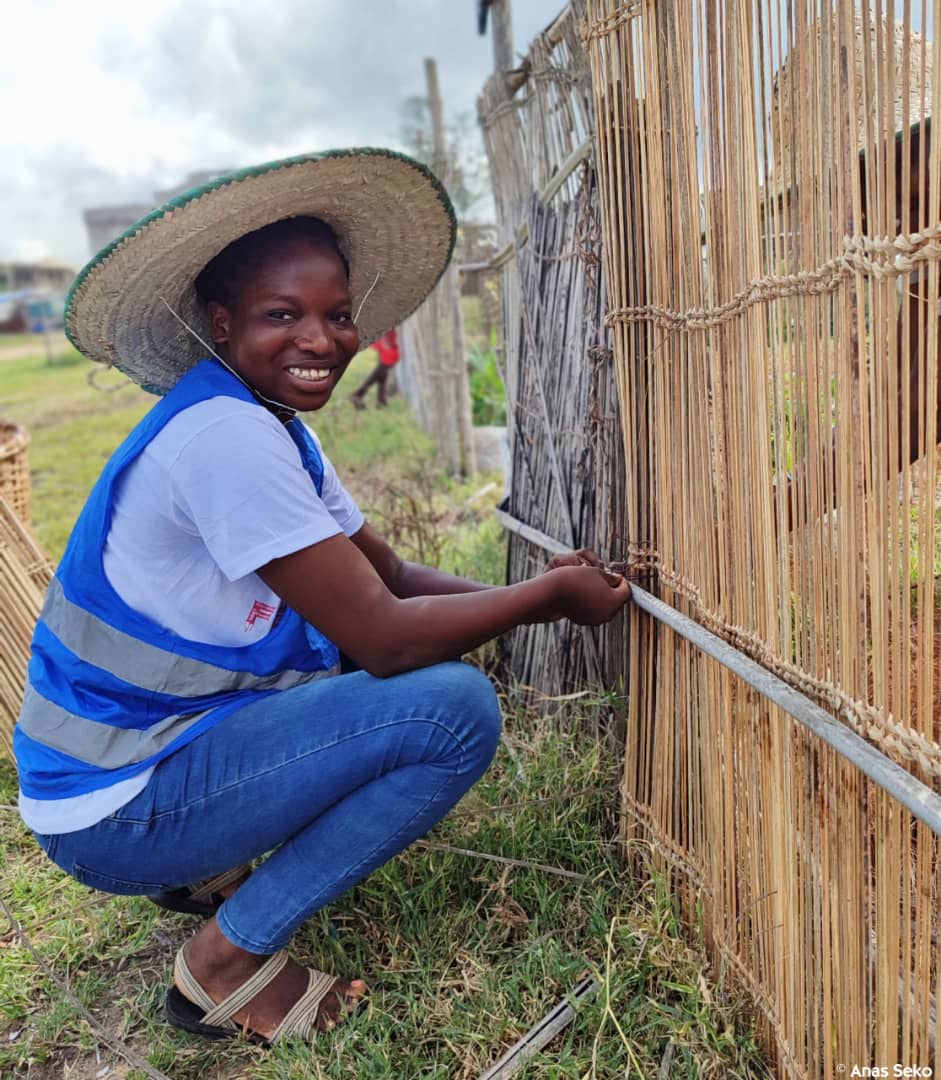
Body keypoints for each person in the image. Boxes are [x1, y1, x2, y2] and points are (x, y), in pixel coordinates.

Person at [14, 148, 631, 1046]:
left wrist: (535, 589)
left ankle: (203, 865)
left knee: (345, 647)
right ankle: (225, 962)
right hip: (112, 809)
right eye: (282, 314)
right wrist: (546, 600)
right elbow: (385, 636)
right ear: (220, 324)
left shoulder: (262, 421)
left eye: (337, 315)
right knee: (452, 711)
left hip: (134, 764)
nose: (322, 339)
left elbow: (393, 581)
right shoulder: (226, 439)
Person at [350, 326, 400, 409]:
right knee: (376, 376)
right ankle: (358, 394)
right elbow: (388, 341)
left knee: (381, 376)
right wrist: (386, 343)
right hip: (388, 354)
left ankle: (381, 401)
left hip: (387, 353)